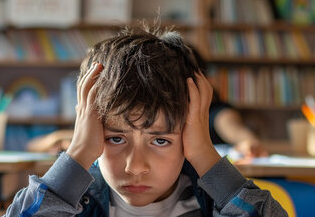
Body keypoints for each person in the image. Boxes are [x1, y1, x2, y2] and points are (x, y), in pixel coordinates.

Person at [0, 25, 296, 217]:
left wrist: (205, 154)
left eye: (160, 140)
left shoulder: (206, 194)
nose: (135, 167)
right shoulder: (76, 195)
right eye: (115, 139)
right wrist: (78, 153)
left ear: (188, 136)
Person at [26, 46, 267, 157]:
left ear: (200, 84)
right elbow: (36, 145)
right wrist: (71, 143)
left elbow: (241, 135)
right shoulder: (129, 113)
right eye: (117, 138)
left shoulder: (217, 113)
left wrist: (246, 144)